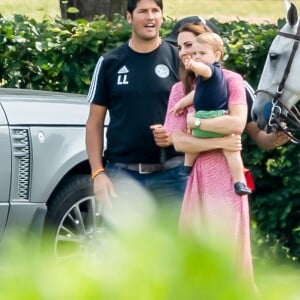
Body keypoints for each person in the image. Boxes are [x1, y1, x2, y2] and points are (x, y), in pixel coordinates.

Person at [85, 0, 189, 214]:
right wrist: (98, 173)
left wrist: (174, 137)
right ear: (129, 17)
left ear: (162, 17)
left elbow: (196, 114)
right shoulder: (109, 62)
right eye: (143, 11)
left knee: (175, 247)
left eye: (155, 11)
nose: (150, 17)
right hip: (123, 178)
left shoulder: (180, 60)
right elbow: (94, 123)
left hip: (173, 176)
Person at [171, 31, 251, 196]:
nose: (197, 56)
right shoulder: (201, 80)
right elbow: (195, 95)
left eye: (202, 53)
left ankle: (239, 182)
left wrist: (192, 64)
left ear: (217, 55)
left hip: (217, 117)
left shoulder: (211, 71)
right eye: (194, 53)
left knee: (232, 152)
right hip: (202, 117)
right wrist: (181, 103)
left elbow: (202, 69)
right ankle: (187, 167)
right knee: (192, 142)